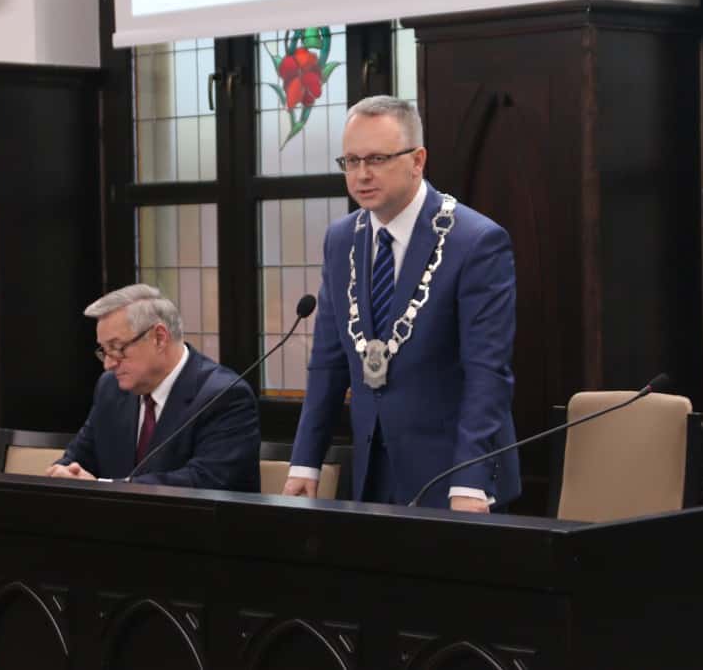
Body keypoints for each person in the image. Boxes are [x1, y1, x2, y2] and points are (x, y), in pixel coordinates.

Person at [283, 96, 520, 511]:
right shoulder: (342, 240)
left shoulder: (475, 241)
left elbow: (487, 373)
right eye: (351, 161)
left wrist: (470, 479)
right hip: (371, 470)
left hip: (453, 474)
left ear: (417, 160)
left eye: (377, 159)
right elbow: (327, 363)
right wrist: (305, 461)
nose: (362, 174)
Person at [48, 284, 261, 491]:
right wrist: (64, 473)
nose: (109, 364)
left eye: (117, 348)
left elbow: (206, 481)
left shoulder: (224, 395)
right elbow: (78, 457)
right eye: (104, 351)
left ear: (159, 338)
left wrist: (106, 487)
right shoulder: (110, 388)